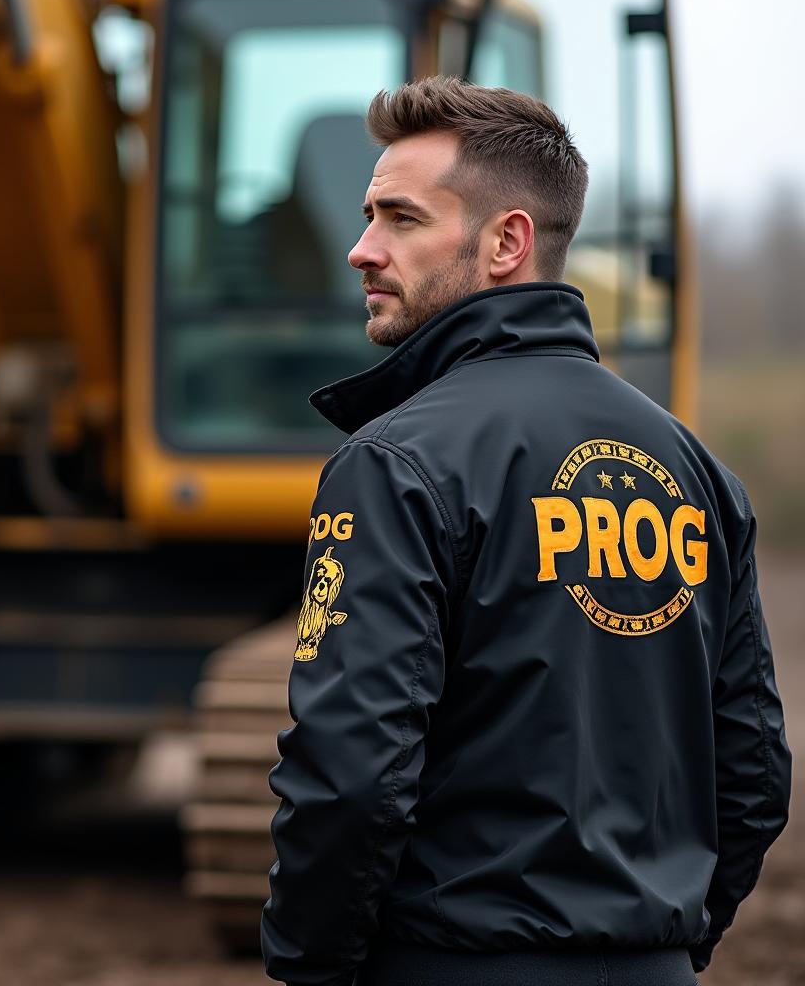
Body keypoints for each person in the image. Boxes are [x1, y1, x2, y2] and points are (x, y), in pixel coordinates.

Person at [260, 76, 791, 986]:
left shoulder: (395, 464)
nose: (360, 249)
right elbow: (752, 772)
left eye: (400, 218)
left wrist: (314, 968)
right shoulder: (697, 473)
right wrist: (666, 946)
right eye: (367, 216)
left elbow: (350, 774)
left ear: (506, 241)